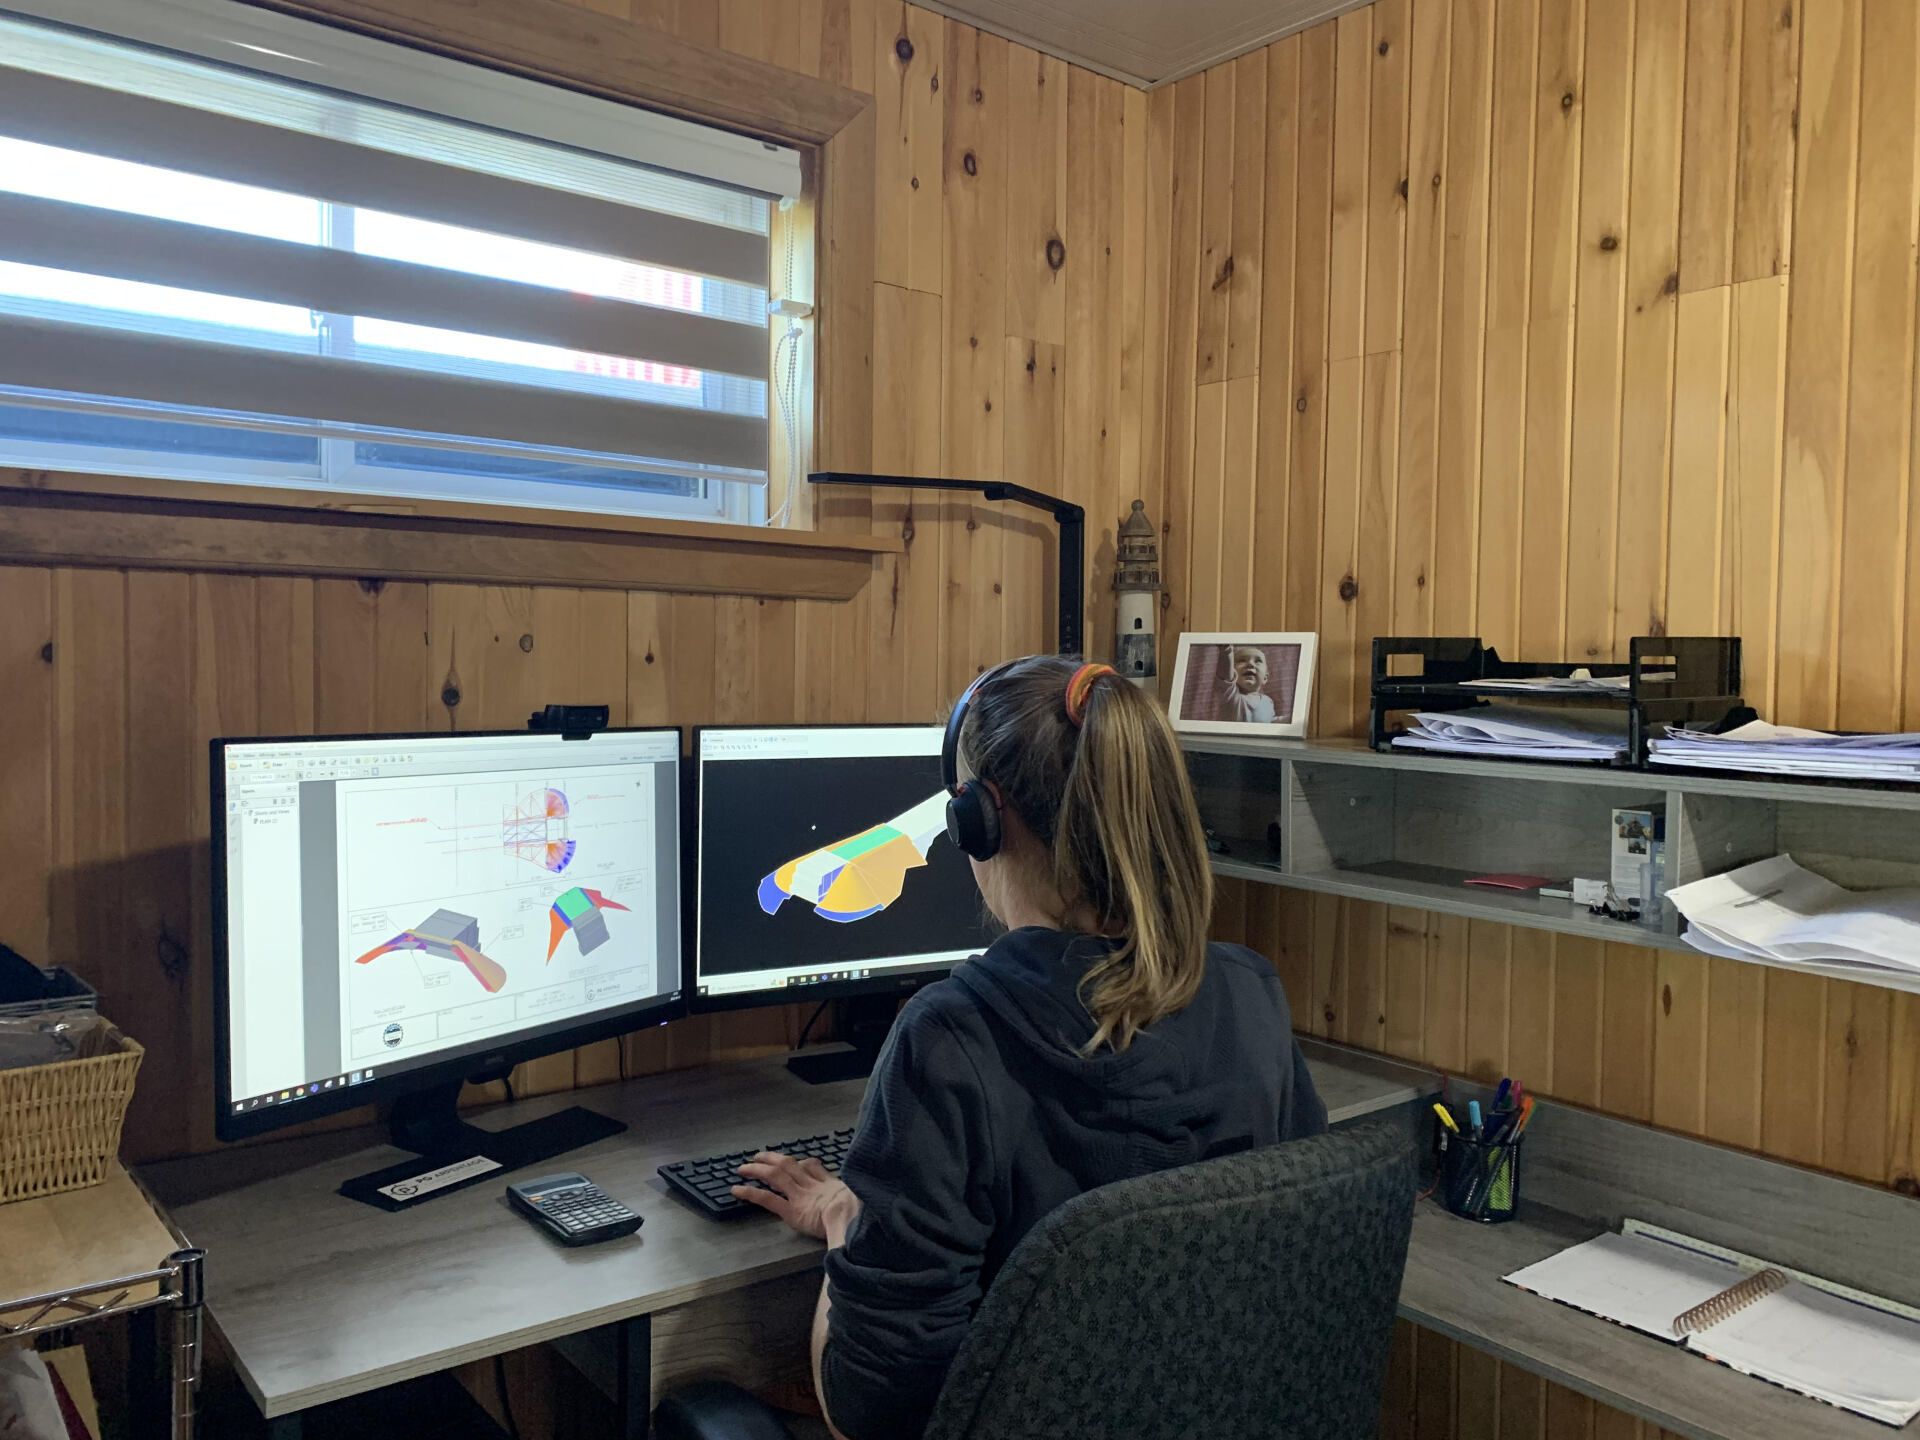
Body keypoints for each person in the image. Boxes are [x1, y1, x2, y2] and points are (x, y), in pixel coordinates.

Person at [730, 656, 1328, 1440]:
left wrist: (846, 1213)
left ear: (981, 819)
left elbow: (867, 1411)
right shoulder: (1251, 995)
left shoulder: (950, 1043)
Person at [1221, 644, 1278, 723]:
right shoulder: (1230, 695)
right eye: (1242, 660)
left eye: (1258, 661)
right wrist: (1226, 651)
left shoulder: (1268, 701)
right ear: (1232, 672)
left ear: (1265, 678)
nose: (1250, 664)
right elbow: (1225, 676)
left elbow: (1270, 722)